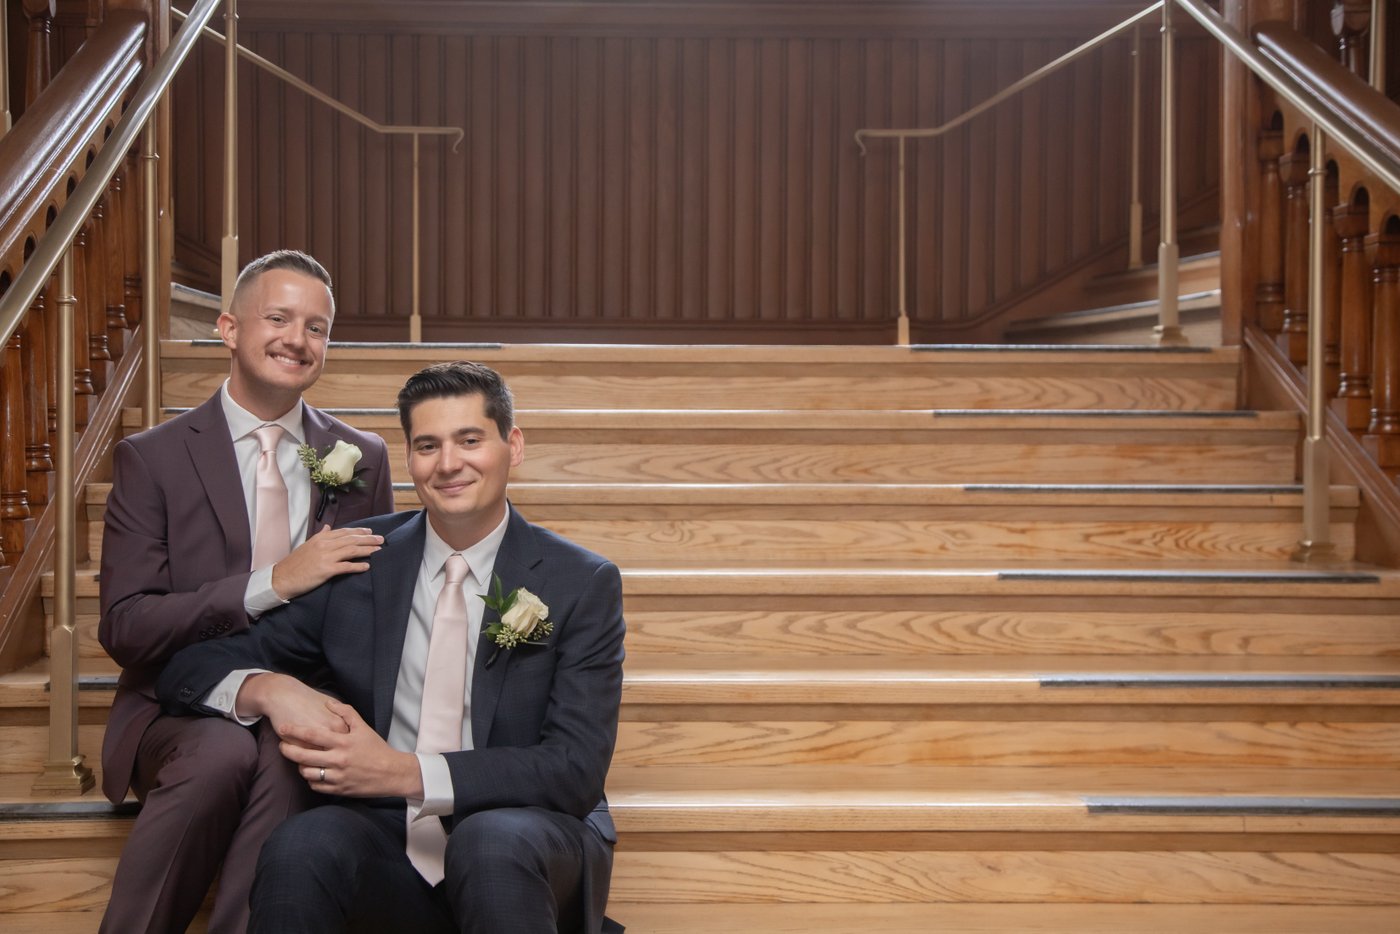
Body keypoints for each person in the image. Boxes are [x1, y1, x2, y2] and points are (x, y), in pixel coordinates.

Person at [156, 361, 626, 934]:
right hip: (388, 839)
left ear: (513, 445)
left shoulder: (580, 581)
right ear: (409, 459)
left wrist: (405, 773)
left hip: (530, 840)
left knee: (490, 841)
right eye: (427, 445)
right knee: (304, 841)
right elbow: (191, 665)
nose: (448, 464)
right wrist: (270, 689)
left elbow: (574, 769)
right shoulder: (361, 566)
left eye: (469, 440)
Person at [98, 250, 394, 933]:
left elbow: (366, 615)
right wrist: (272, 583)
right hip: (173, 706)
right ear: (229, 328)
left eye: (317, 327)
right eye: (279, 318)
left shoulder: (362, 458)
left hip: (304, 705)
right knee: (221, 752)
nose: (298, 339)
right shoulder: (154, 458)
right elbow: (126, 628)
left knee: (293, 760)